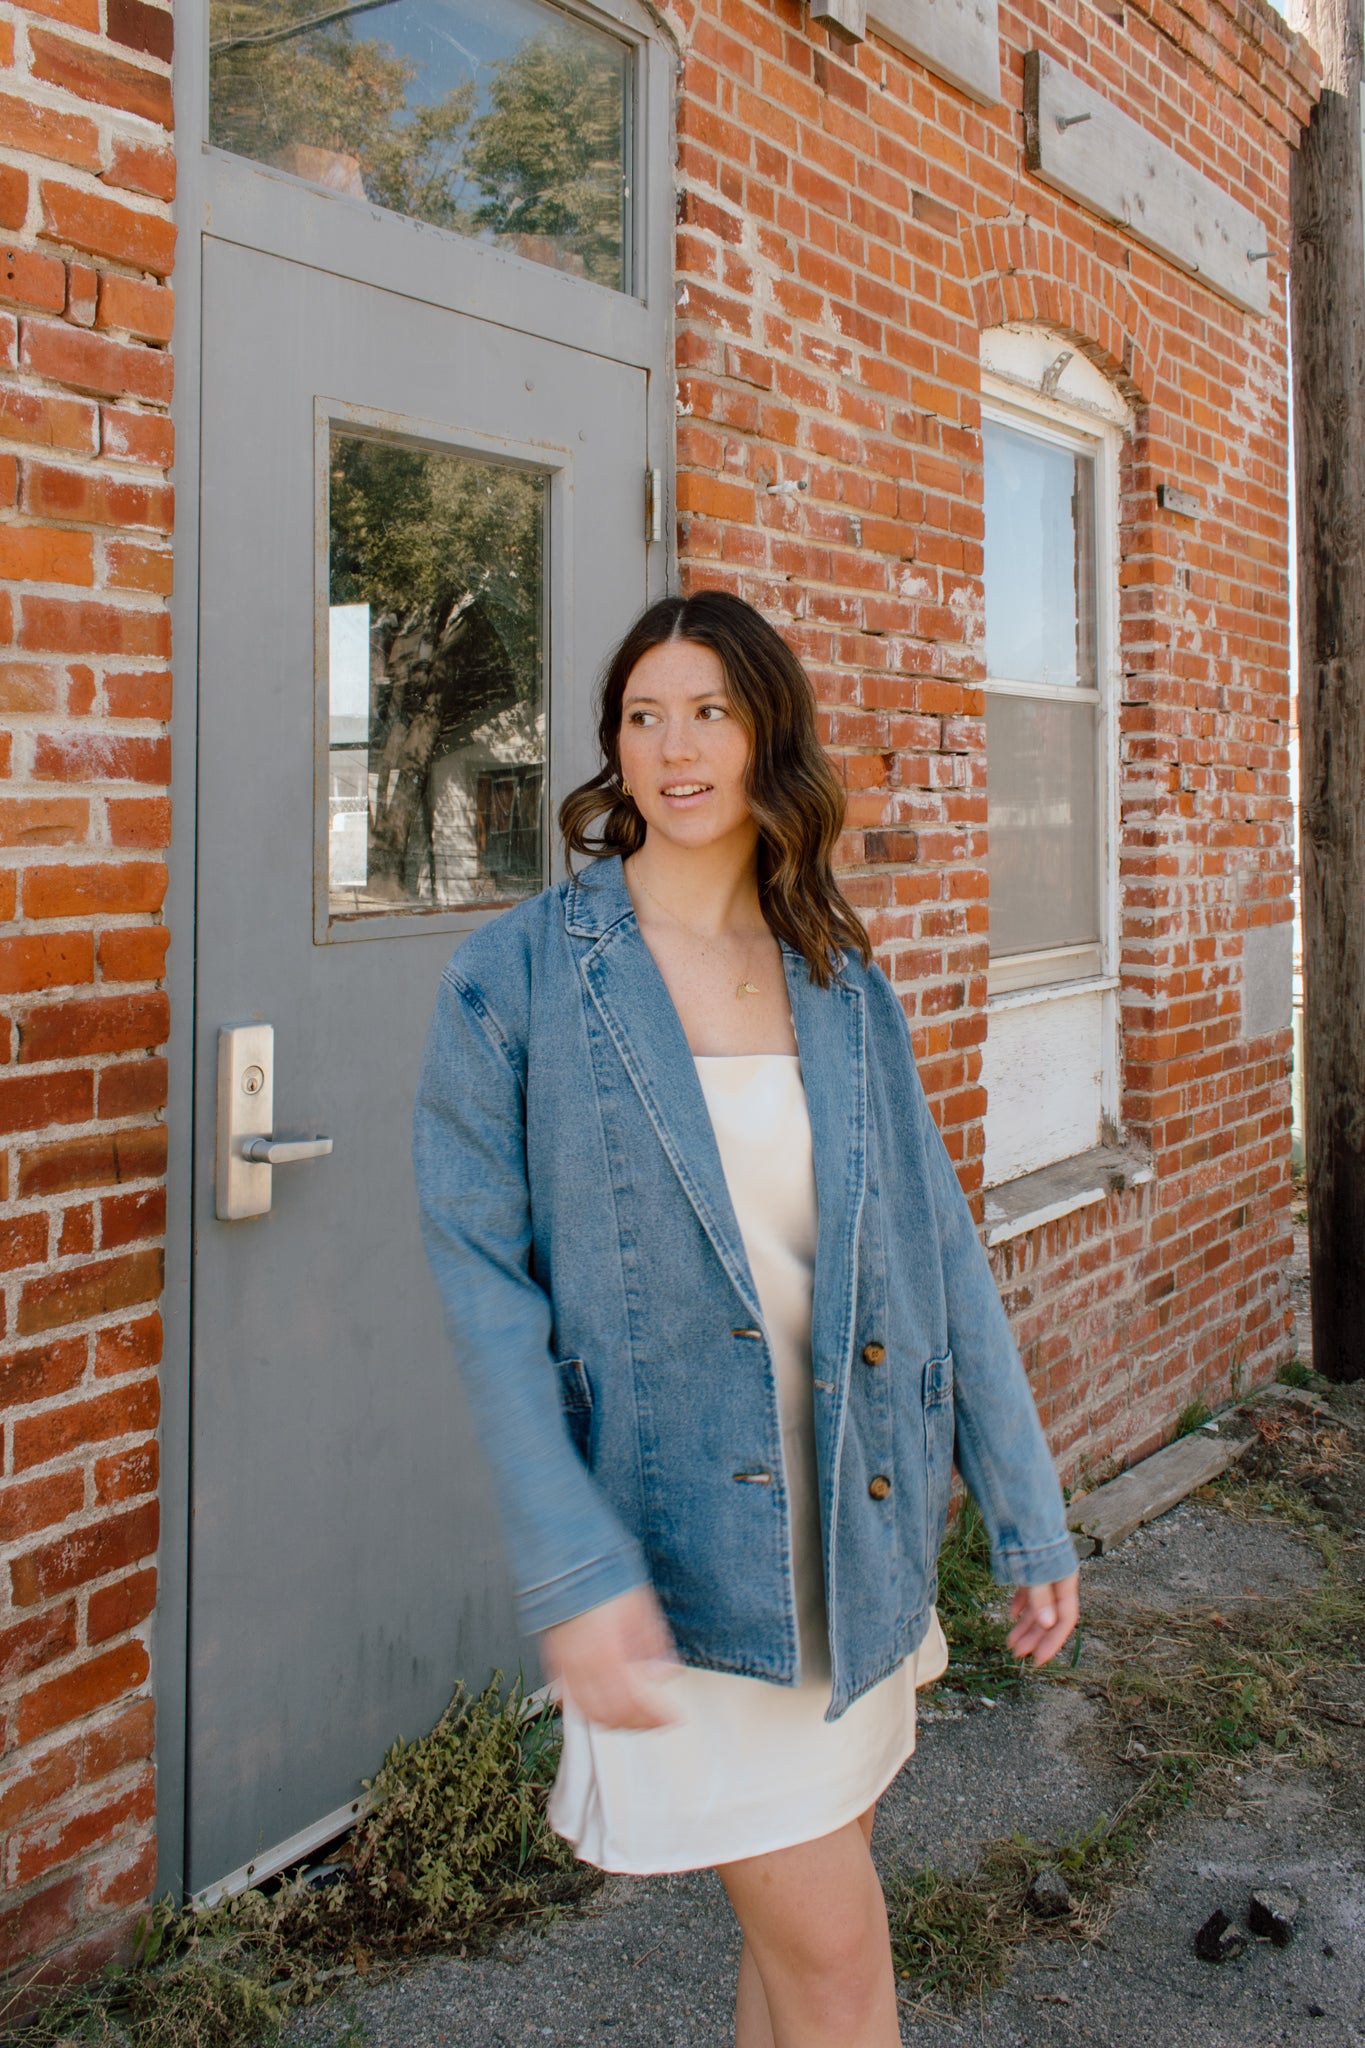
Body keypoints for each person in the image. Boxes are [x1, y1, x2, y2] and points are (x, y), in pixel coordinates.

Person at [412, 589, 1081, 2048]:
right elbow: (484, 1296)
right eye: (641, 715)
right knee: (841, 1970)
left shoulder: (837, 978)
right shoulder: (518, 978)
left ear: (767, 731)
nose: (673, 744)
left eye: (709, 708)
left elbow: (939, 1253)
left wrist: (1025, 1511)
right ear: (611, 750)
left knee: (795, 1965)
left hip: (853, 1535)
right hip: (679, 1557)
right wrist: (573, 1562)